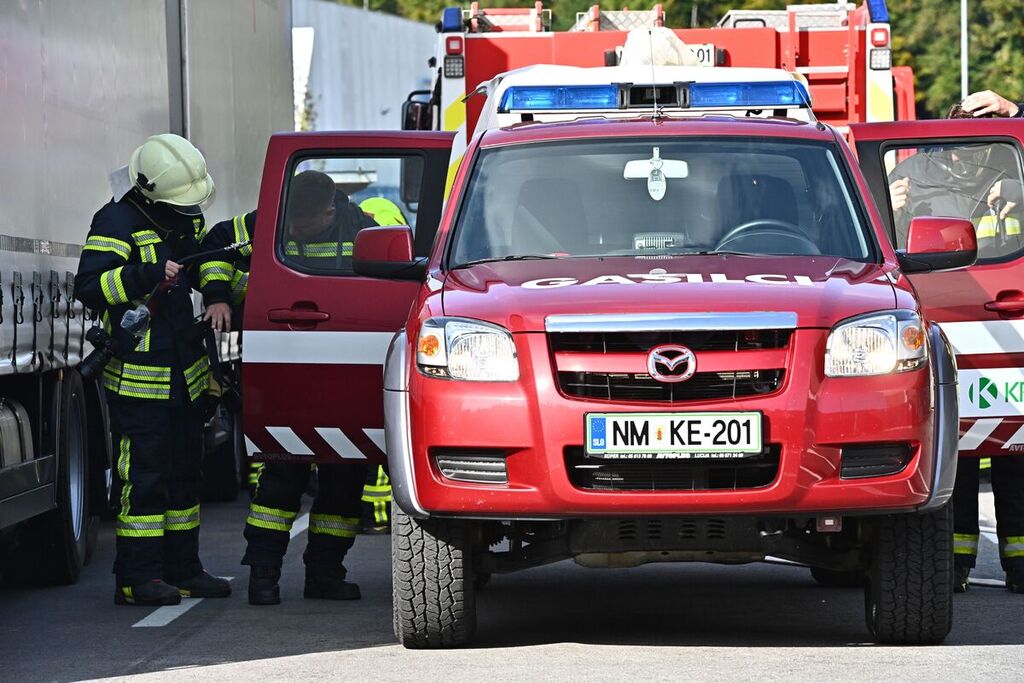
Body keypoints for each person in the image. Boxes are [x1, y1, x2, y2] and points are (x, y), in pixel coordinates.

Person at [75, 133, 233, 605]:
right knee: (144, 481)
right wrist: (145, 274)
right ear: (151, 191)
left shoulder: (184, 216)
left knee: (185, 478)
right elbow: (90, 286)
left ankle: (183, 571)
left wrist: (217, 294)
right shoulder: (115, 221)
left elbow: (205, 262)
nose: (188, 210)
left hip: (184, 378)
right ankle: (137, 579)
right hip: (138, 383)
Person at [888, 92, 1024, 594]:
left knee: (1015, 449)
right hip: (941, 323)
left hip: (1007, 324)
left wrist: (1017, 111)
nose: (972, 160)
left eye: (983, 148)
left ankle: (1019, 563)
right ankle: (953, 564)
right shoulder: (911, 177)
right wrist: (889, 210)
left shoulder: (1012, 168)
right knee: (952, 450)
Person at [238, 170, 378, 605]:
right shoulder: (270, 222)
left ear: (330, 211)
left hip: (345, 371)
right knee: (279, 482)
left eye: (304, 223)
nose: (294, 230)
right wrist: (220, 293)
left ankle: (325, 575)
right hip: (290, 371)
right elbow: (220, 249)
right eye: (291, 222)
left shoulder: (363, 230)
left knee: (344, 484)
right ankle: (263, 577)